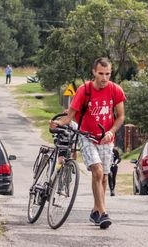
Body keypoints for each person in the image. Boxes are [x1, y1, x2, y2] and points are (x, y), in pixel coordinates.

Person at [50, 57, 125, 230]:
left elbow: (120, 116)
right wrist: (57, 123)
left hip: (106, 138)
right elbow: (69, 117)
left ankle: (95, 211)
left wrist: (111, 131)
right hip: (87, 136)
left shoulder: (115, 90)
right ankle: (103, 213)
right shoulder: (84, 90)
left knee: (103, 176)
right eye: (101, 73)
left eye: (107, 74)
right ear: (94, 72)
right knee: (97, 171)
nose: (104, 78)